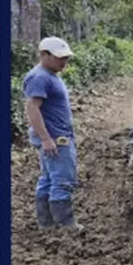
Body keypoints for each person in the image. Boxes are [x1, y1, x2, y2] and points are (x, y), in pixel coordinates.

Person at [23, 37, 80, 229]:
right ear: (44, 55)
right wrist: (46, 138)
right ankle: (65, 224)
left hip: (56, 137)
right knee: (62, 181)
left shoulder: (49, 75)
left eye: (66, 58)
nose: (63, 62)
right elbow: (32, 108)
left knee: (48, 179)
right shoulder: (40, 77)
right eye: (59, 58)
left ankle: (46, 224)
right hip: (55, 139)